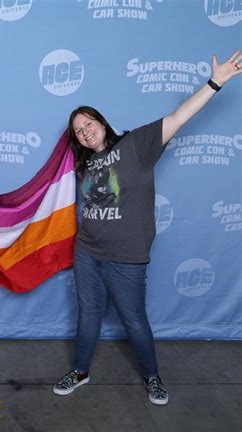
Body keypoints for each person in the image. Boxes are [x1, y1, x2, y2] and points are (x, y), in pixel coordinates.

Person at [53, 51, 242, 405]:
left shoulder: (136, 146)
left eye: (88, 123)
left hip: (125, 259)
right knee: (88, 314)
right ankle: (80, 370)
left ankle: (152, 375)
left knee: (134, 321)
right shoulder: (84, 166)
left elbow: (179, 117)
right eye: (78, 131)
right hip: (87, 253)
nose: (85, 131)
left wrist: (217, 82)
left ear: (102, 122)